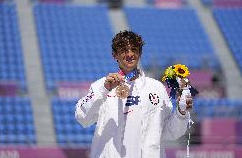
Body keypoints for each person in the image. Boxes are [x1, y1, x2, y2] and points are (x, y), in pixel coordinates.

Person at [75, 30, 193, 158]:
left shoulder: (156, 88)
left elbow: (170, 132)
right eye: (124, 50)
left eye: (134, 49)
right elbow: (82, 118)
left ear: (140, 53)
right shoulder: (101, 86)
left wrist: (181, 113)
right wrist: (104, 90)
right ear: (114, 55)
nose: (130, 54)